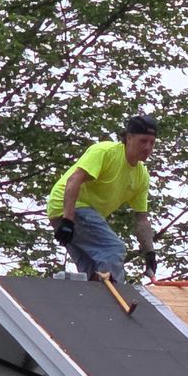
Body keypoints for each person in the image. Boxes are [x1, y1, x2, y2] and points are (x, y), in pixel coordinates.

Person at [48, 115, 159, 282]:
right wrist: (68, 221)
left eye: (152, 143)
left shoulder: (141, 176)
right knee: (114, 249)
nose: (147, 147)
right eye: (143, 141)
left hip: (75, 215)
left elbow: (141, 220)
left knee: (92, 268)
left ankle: (91, 303)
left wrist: (149, 252)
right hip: (70, 207)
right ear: (128, 138)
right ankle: (114, 298)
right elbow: (74, 180)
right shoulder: (105, 152)